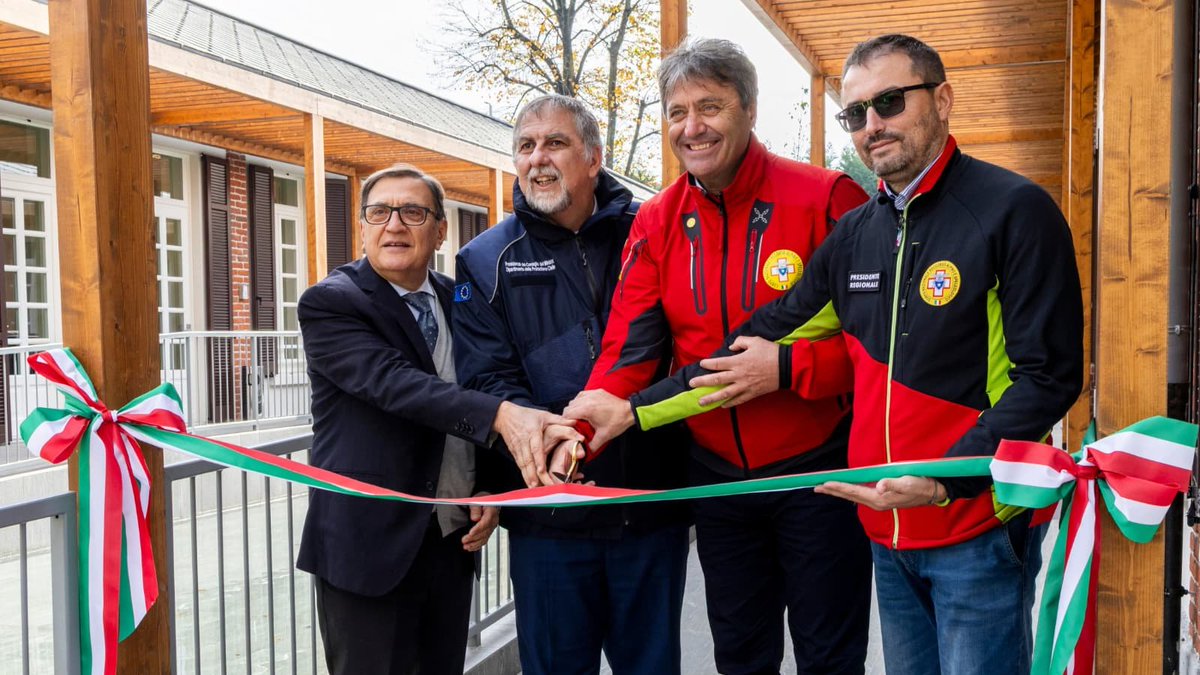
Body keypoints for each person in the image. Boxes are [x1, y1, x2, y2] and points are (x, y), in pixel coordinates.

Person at [573, 34, 1084, 675]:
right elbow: (745, 348)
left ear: (944, 99)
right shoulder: (859, 232)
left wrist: (943, 478)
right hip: (883, 524)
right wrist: (628, 411)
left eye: (891, 103)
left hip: (969, 524)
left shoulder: (1013, 209)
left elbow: (1049, 376)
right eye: (856, 113)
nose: (873, 125)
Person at [563, 38, 872, 675]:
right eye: (676, 112)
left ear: (750, 109)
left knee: (829, 654)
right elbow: (631, 343)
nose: (692, 127)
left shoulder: (827, 198)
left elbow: (879, 352)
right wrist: (589, 420)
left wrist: (791, 370)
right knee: (739, 652)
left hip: (818, 472)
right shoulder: (656, 220)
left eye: (710, 107)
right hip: (717, 476)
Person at [296, 163, 571, 675]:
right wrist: (504, 417)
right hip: (368, 549)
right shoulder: (332, 303)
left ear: (440, 229)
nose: (394, 224)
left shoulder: (458, 298)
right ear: (361, 227)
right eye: (379, 212)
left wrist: (489, 489)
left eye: (413, 212)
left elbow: (483, 380)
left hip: (450, 542)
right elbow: (394, 384)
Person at [451, 94, 691, 675]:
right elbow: (486, 376)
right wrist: (562, 438)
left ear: (592, 157)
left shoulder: (653, 231)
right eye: (525, 147)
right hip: (549, 520)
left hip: (648, 508)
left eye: (554, 143)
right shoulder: (484, 259)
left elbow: (687, 340)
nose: (538, 159)